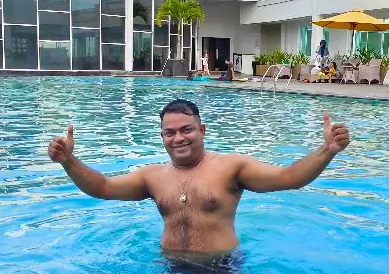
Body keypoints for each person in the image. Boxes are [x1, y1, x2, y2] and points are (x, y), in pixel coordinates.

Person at [48, 99, 350, 262]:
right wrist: (69, 161)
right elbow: (102, 188)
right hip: (170, 268)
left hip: (220, 270)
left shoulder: (232, 166)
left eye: (186, 129)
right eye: (170, 132)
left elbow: (287, 178)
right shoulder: (151, 176)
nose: (178, 138)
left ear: (202, 130)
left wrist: (327, 151)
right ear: (162, 137)